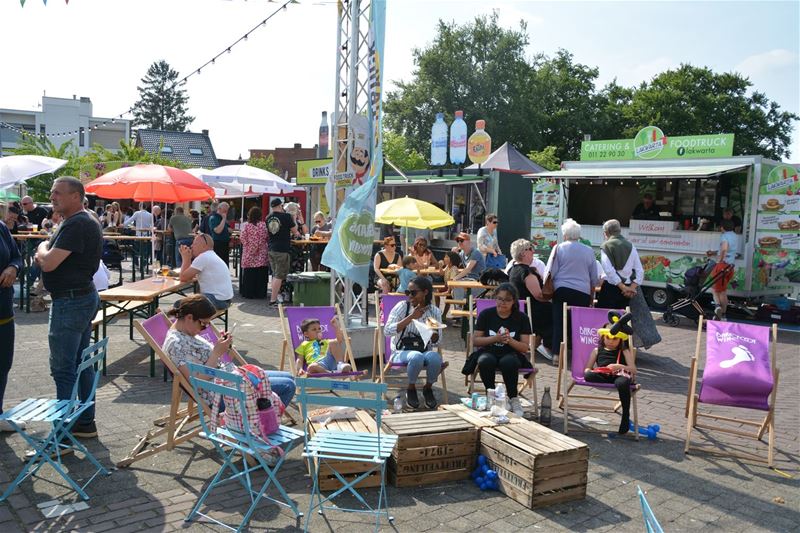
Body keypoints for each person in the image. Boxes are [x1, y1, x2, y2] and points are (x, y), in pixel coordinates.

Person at [35, 176, 102, 439]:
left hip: (71, 301)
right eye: (52, 194)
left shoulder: (78, 223)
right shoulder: (81, 220)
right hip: (80, 297)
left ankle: (60, 437)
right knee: (81, 363)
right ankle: (85, 423)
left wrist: (41, 248)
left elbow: (49, 262)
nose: (52, 198)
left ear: (76, 196)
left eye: (57, 194)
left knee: (64, 370)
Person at [162, 294, 295, 409]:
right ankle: (262, 423)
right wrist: (216, 353)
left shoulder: (186, 332)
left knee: (289, 377)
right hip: (221, 394)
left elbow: (203, 358)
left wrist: (223, 346)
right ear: (189, 317)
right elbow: (196, 380)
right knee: (287, 386)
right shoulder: (176, 343)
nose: (205, 328)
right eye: (203, 324)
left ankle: (261, 418)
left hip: (231, 379)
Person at [472, 283, 532, 417]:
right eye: (499, 298)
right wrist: (496, 338)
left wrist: (509, 340)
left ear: (513, 301)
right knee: (485, 360)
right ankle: (491, 396)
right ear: (495, 298)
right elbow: (476, 341)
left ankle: (513, 398)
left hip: (512, 353)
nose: (502, 303)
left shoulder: (521, 318)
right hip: (489, 350)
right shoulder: (486, 314)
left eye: (507, 300)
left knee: (509, 362)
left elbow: (524, 347)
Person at [384, 276, 444, 409]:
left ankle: (428, 388)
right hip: (401, 351)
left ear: (425, 292)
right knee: (417, 356)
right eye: (407, 292)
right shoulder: (402, 307)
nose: (410, 296)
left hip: (424, 350)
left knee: (435, 357)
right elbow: (387, 331)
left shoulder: (434, 311)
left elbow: (437, 341)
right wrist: (411, 317)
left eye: (413, 292)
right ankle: (411, 388)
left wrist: (433, 334)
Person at [545, 219, 599, 354]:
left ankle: (557, 354)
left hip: (562, 289)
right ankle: (578, 353)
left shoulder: (559, 248)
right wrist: (592, 293)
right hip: (583, 291)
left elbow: (552, 270)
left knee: (559, 322)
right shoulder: (588, 250)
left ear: (565, 234)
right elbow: (594, 276)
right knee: (578, 323)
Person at [584, 316, 636, 434]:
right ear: (603, 337)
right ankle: (609, 380)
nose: (611, 341)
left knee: (623, 383)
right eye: (608, 338)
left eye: (615, 339)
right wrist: (588, 371)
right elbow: (588, 367)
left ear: (620, 340)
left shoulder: (624, 351)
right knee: (588, 376)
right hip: (604, 376)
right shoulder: (597, 350)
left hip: (619, 376)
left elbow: (633, 369)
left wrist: (620, 367)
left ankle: (625, 415)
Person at [507, 239, 554, 360]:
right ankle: (546, 345)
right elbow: (538, 295)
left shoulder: (513, 269)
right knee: (556, 312)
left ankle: (536, 343)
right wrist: (551, 298)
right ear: (523, 253)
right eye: (530, 249)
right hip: (530, 311)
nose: (533, 251)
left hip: (520, 308)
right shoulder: (527, 272)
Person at [0, 217, 23, 431]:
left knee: (3, 364)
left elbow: (17, 256)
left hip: (3, 309)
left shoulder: (0, 227)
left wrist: (13, 267)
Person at [178, 233, 234, 311]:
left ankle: (167, 320)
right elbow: (188, 276)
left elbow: (183, 278)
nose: (191, 246)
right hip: (225, 299)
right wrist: (188, 258)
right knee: (191, 301)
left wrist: (186, 258)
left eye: (194, 243)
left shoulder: (203, 257)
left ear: (204, 246)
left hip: (217, 300)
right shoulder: (211, 255)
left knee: (180, 305)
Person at [597, 219, 644, 310]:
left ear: (606, 233)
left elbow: (608, 270)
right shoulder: (631, 246)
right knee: (620, 319)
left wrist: (622, 287)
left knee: (604, 319)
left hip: (610, 288)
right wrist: (631, 288)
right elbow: (640, 270)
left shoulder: (606, 246)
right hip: (626, 292)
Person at [266, 198, 300, 307]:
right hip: (282, 249)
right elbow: (295, 232)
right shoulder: (286, 217)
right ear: (280, 206)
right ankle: (273, 300)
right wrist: (294, 218)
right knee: (279, 276)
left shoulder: (268, 217)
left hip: (271, 248)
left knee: (275, 275)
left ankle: (274, 297)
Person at [710, 219, 738, 320]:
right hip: (730, 267)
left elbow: (725, 248)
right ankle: (723, 315)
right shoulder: (735, 236)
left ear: (722, 227)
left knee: (715, 290)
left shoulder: (724, 236)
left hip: (722, 265)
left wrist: (720, 260)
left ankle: (718, 307)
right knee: (723, 291)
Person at [239, 206, 268, 299]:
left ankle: (248, 293)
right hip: (262, 252)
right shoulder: (263, 225)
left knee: (249, 274)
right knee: (261, 274)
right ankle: (260, 293)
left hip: (249, 252)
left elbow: (242, 238)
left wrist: (249, 246)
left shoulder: (246, 225)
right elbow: (267, 237)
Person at [450, 232, 486, 303]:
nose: (459, 242)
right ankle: (461, 309)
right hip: (469, 281)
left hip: (478, 283)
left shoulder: (475, 253)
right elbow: (452, 264)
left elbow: (468, 269)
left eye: (462, 240)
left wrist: (455, 278)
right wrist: (453, 254)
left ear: (469, 242)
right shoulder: (462, 253)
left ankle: (460, 309)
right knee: (453, 290)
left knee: (457, 285)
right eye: (458, 241)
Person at [127, 202, 154, 274]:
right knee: (145, 252)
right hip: (147, 236)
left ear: (140, 207)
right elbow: (152, 225)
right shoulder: (150, 215)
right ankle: (144, 265)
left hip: (138, 235)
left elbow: (129, 221)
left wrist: (123, 225)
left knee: (136, 250)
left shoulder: (137, 213)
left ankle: (136, 264)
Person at [435, 251, 462, 319]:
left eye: (446, 257)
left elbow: (451, 281)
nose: (444, 258)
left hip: (452, 287)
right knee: (436, 293)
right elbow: (441, 273)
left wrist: (448, 291)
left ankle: (444, 315)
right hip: (447, 286)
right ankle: (437, 311)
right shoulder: (448, 266)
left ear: (452, 259)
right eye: (445, 257)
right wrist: (440, 266)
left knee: (448, 298)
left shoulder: (454, 268)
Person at [208, 201, 231, 266]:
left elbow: (228, 229)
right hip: (218, 244)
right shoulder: (214, 218)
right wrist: (224, 219)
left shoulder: (221, 217)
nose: (226, 213)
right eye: (224, 211)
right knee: (219, 264)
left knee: (225, 264)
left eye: (227, 211)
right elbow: (218, 231)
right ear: (219, 209)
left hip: (225, 244)